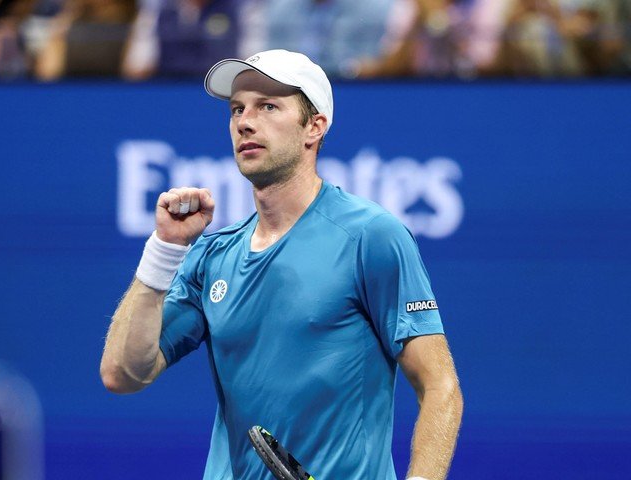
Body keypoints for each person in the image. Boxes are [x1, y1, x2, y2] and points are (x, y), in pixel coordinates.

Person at [101, 49, 463, 479]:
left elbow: (441, 388)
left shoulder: (371, 236)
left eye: (268, 106)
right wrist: (164, 250)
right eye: (237, 109)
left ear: (314, 126)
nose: (244, 122)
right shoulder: (212, 255)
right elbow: (123, 373)